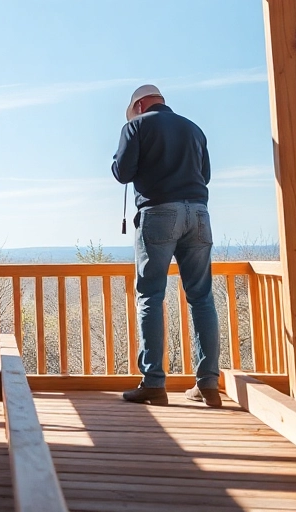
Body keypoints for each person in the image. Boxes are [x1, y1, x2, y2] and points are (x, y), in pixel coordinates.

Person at [111, 84, 221, 407]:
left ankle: (154, 384)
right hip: (199, 214)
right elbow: (206, 175)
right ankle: (208, 384)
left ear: (140, 105)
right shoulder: (194, 129)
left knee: (150, 294)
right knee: (201, 298)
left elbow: (122, 172)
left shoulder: (136, 127)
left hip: (158, 213)